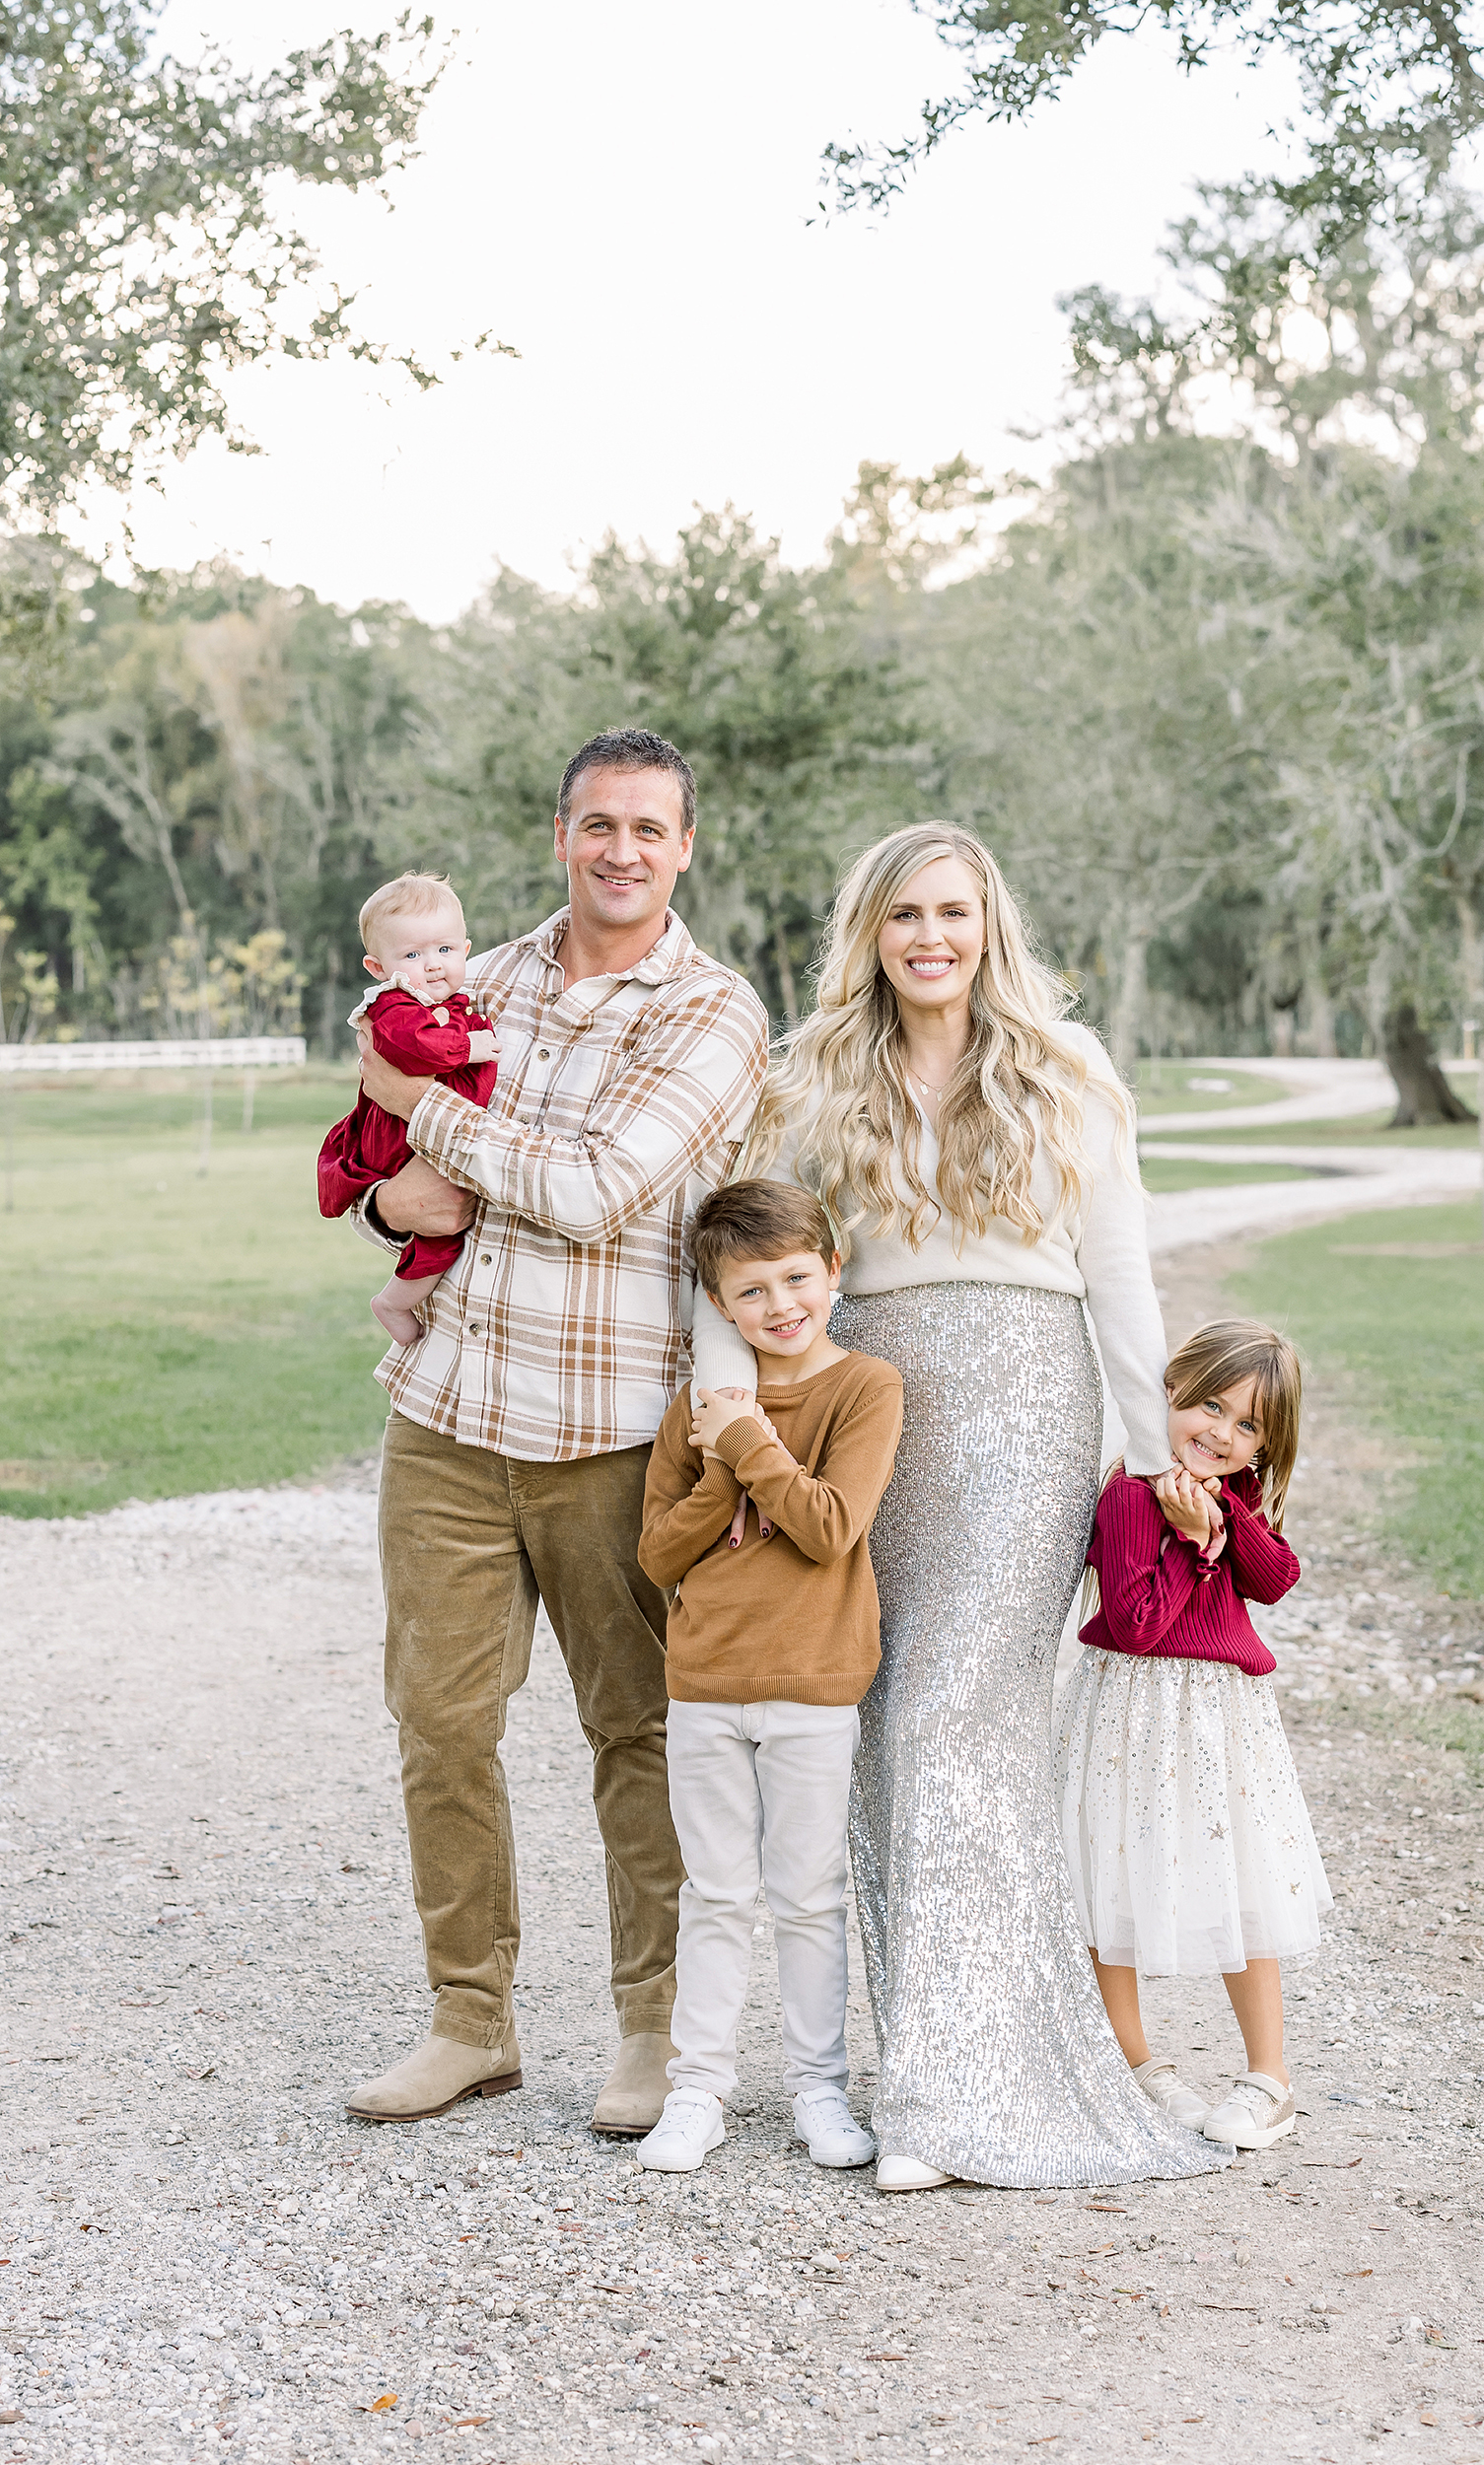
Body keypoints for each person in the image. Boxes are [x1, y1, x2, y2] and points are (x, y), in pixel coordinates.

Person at [691, 821, 1229, 2193]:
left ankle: (949, 2098)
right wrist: (736, 1425)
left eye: (952, 912)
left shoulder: (1068, 1069)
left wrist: (1149, 1457)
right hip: (868, 1413)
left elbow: (1120, 1278)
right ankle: (926, 2059)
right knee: (880, 1726)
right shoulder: (805, 1076)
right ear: (867, 930)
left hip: (1024, 1418)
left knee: (956, 1722)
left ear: (988, 924)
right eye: (903, 915)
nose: (930, 937)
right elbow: (738, 1252)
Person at [340, 728, 770, 2131]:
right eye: (598, 825)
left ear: (685, 846)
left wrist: (431, 1131)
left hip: (608, 1437)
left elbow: (597, 1190)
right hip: (450, 1419)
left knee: (634, 1733)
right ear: (561, 832)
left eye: (649, 829)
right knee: (439, 1723)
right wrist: (383, 1195)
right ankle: (470, 2019)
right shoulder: (479, 976)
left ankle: (653, 2032)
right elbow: (382, 1142)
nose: (622, 852)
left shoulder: (711, 1013)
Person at [634, 1180, 904, 2175]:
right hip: (705, 1680)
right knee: (713, 1892)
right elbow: (659, 1554)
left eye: (797, 1278)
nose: (780, 1305)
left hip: (813, 1681)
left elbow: (832, 1524)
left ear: (833, 1269)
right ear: (717, 1305)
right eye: (751, 1292)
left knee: (805, 1893)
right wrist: (718, 1469)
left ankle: (817, 2089)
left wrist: (747, 1443)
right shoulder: (695, 1408)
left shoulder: (863, 1387)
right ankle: (697, 2090)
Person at [1054, 1318, 1332, 2152]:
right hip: (1130, 1710)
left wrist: (1221, 1527)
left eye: (1248, 1426)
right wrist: (1193, 1544)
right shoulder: (1135, 1494)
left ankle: (1269, 2078)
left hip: (1218, 1719)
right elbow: (1136, 1624)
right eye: (1209, 1404)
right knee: (1111, 1879)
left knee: (1236, 1877)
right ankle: (1135, 2063)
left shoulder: (1230, 1494)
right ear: (1168, 1390)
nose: (1221, 1431)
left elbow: (1275, 1578)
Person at [318, 874, 501, 1343]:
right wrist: (469, 1046)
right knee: (440, 1234)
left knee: (445, 1228)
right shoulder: (395, 1006)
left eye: (444, 950)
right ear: (378, 967)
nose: (433, 966)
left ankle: (399, 1297)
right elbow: (414, 1048)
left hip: (425, 1129)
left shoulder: (450, 999)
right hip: (398, 1137)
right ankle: (394, 1303)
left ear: (466, 947)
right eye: (412, 955)